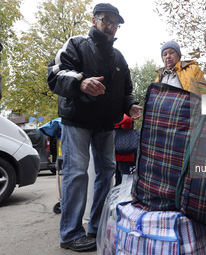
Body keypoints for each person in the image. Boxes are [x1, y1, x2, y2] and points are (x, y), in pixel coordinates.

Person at [47, 3, 142, 252]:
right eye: (106, 20)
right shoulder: (76, 44)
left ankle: (97, 226)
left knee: (107, 173)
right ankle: (70, 233)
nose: (110, 27)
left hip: (106, 125)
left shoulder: (119, 57)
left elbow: (127, 91)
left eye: (115, 23)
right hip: (77, 120)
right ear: (93, 21)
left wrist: (131, 105)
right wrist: (80, 82)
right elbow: (55, 74)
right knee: (77, 174)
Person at [114, 114, 136, 186]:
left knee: (125, 175)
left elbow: (127, 119)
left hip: (125, 152)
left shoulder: (127, 113)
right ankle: (118, 194)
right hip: (118, 151)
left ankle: (123, 194)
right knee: (117, 175)